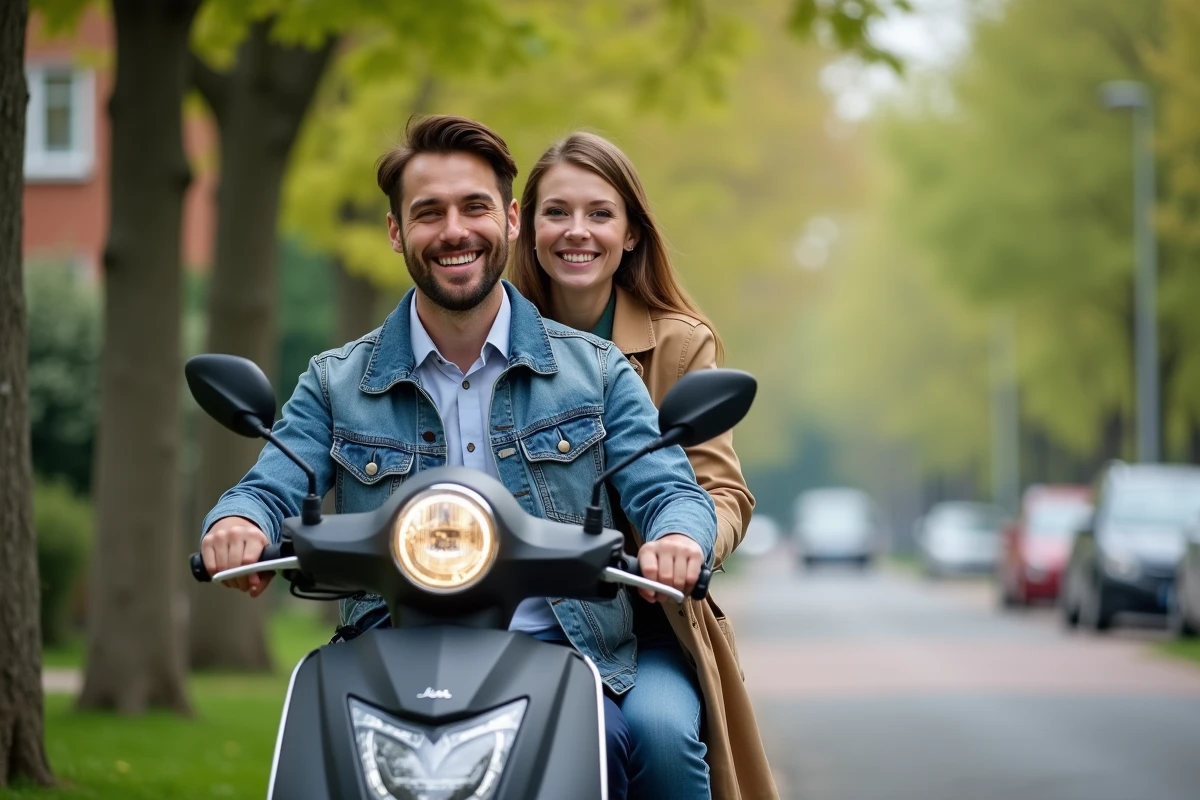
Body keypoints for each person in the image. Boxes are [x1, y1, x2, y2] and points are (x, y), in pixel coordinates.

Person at [198, 115, 719, 800]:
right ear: (396, 233)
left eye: (474, 207)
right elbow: (273, 481)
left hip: (562, 655)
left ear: (507, 221)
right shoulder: (336, 381)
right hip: (382, 659)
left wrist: (679, 536)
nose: (454, 231)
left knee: (633, 744)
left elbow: (668, 490)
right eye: (427, 213)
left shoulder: (595, 372)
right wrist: (238, 523)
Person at [510, 131, 778, 800]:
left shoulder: (680, 343)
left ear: (631, 233)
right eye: (557, 212)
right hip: (519, 610)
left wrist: (684, 541)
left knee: (659, 733)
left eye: (600, 213)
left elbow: (719, 488)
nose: (578, 232)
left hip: (645, 617)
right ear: (527, 226)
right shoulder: (490, 337)